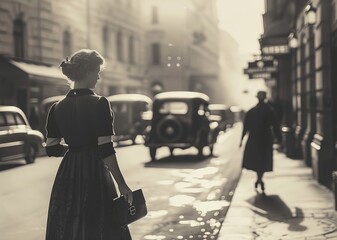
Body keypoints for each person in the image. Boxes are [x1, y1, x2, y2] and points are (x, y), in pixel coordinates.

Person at [44, 49, 133, 240]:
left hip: (67, 173)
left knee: (68, 224)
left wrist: (76, 149)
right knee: (100, 224)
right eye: (97, 71)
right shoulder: (100, 103)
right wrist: (122, 184)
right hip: (94, 172)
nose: (99, 77)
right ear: (88, 72)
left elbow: (51, 149)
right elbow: (106, 149)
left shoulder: (56, 108)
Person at [239, 91, 282, 193]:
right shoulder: (270, 111)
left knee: (256, 161)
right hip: (265, 139)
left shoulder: (251, 112)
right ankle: (260, 179)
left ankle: (258, 179)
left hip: (254, 139)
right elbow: (275, 126)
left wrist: (241, 139)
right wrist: (279, 139)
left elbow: (246, 127)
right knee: (263, 161)